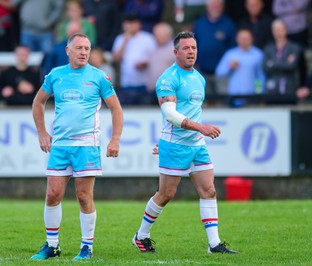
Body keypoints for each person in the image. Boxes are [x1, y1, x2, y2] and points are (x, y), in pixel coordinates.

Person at [132, 31, 238, 254]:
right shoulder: (168, 79)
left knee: (209, 190)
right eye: (186, 48)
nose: (191, 52)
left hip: (197, 145)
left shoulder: (198, 77)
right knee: (166, 195)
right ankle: (141, 236)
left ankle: (214, 244)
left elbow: (192, 111)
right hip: (176, 145)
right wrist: (202, 128)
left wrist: (199, 132)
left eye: (194, 48)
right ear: (175, 52)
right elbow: (170, 114)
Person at [31, 33, 123, 261]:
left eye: (87, 48)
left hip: (86, 145)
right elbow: (38, 102)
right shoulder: (56, 75)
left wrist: (116, 139)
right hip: (60, 145)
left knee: (83, 196)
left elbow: (116, 109)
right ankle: (52, 246)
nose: (84, 52)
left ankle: (87, 248)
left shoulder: (99, 77)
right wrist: (42, 132)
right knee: (52, 195)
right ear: (68, 50)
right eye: (79, 48)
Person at [112, 14, 157, 105]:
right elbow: (115, 58)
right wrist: (125, 41)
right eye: (127, 23)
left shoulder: (148, 38)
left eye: (132, 23)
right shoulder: (120, 39)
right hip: (126, 83)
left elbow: (155, 58)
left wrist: (144, 64)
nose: (129, 26)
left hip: (145, 83)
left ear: (139, 24)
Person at [215, 28, 265, 107]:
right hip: (234, 97)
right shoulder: (230, 54)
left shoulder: (258, 55)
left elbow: (261, 76)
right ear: (237, 39)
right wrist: (229, 67)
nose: (244, 40)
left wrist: (259, 94)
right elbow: (219, 73)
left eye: (246, 38)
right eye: (242, 38)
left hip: (251, 97)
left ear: (252, 39)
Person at [263, 19, 306, 104]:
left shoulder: (295, 47)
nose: (278, 32)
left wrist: (273, 63)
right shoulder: (268, 48)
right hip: (272, 90)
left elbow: (292, 66)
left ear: (285, 30)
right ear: (272, 32)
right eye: (276, 30)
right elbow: (265, 68)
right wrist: (285, 63)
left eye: (280, 29)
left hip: (290, 89)